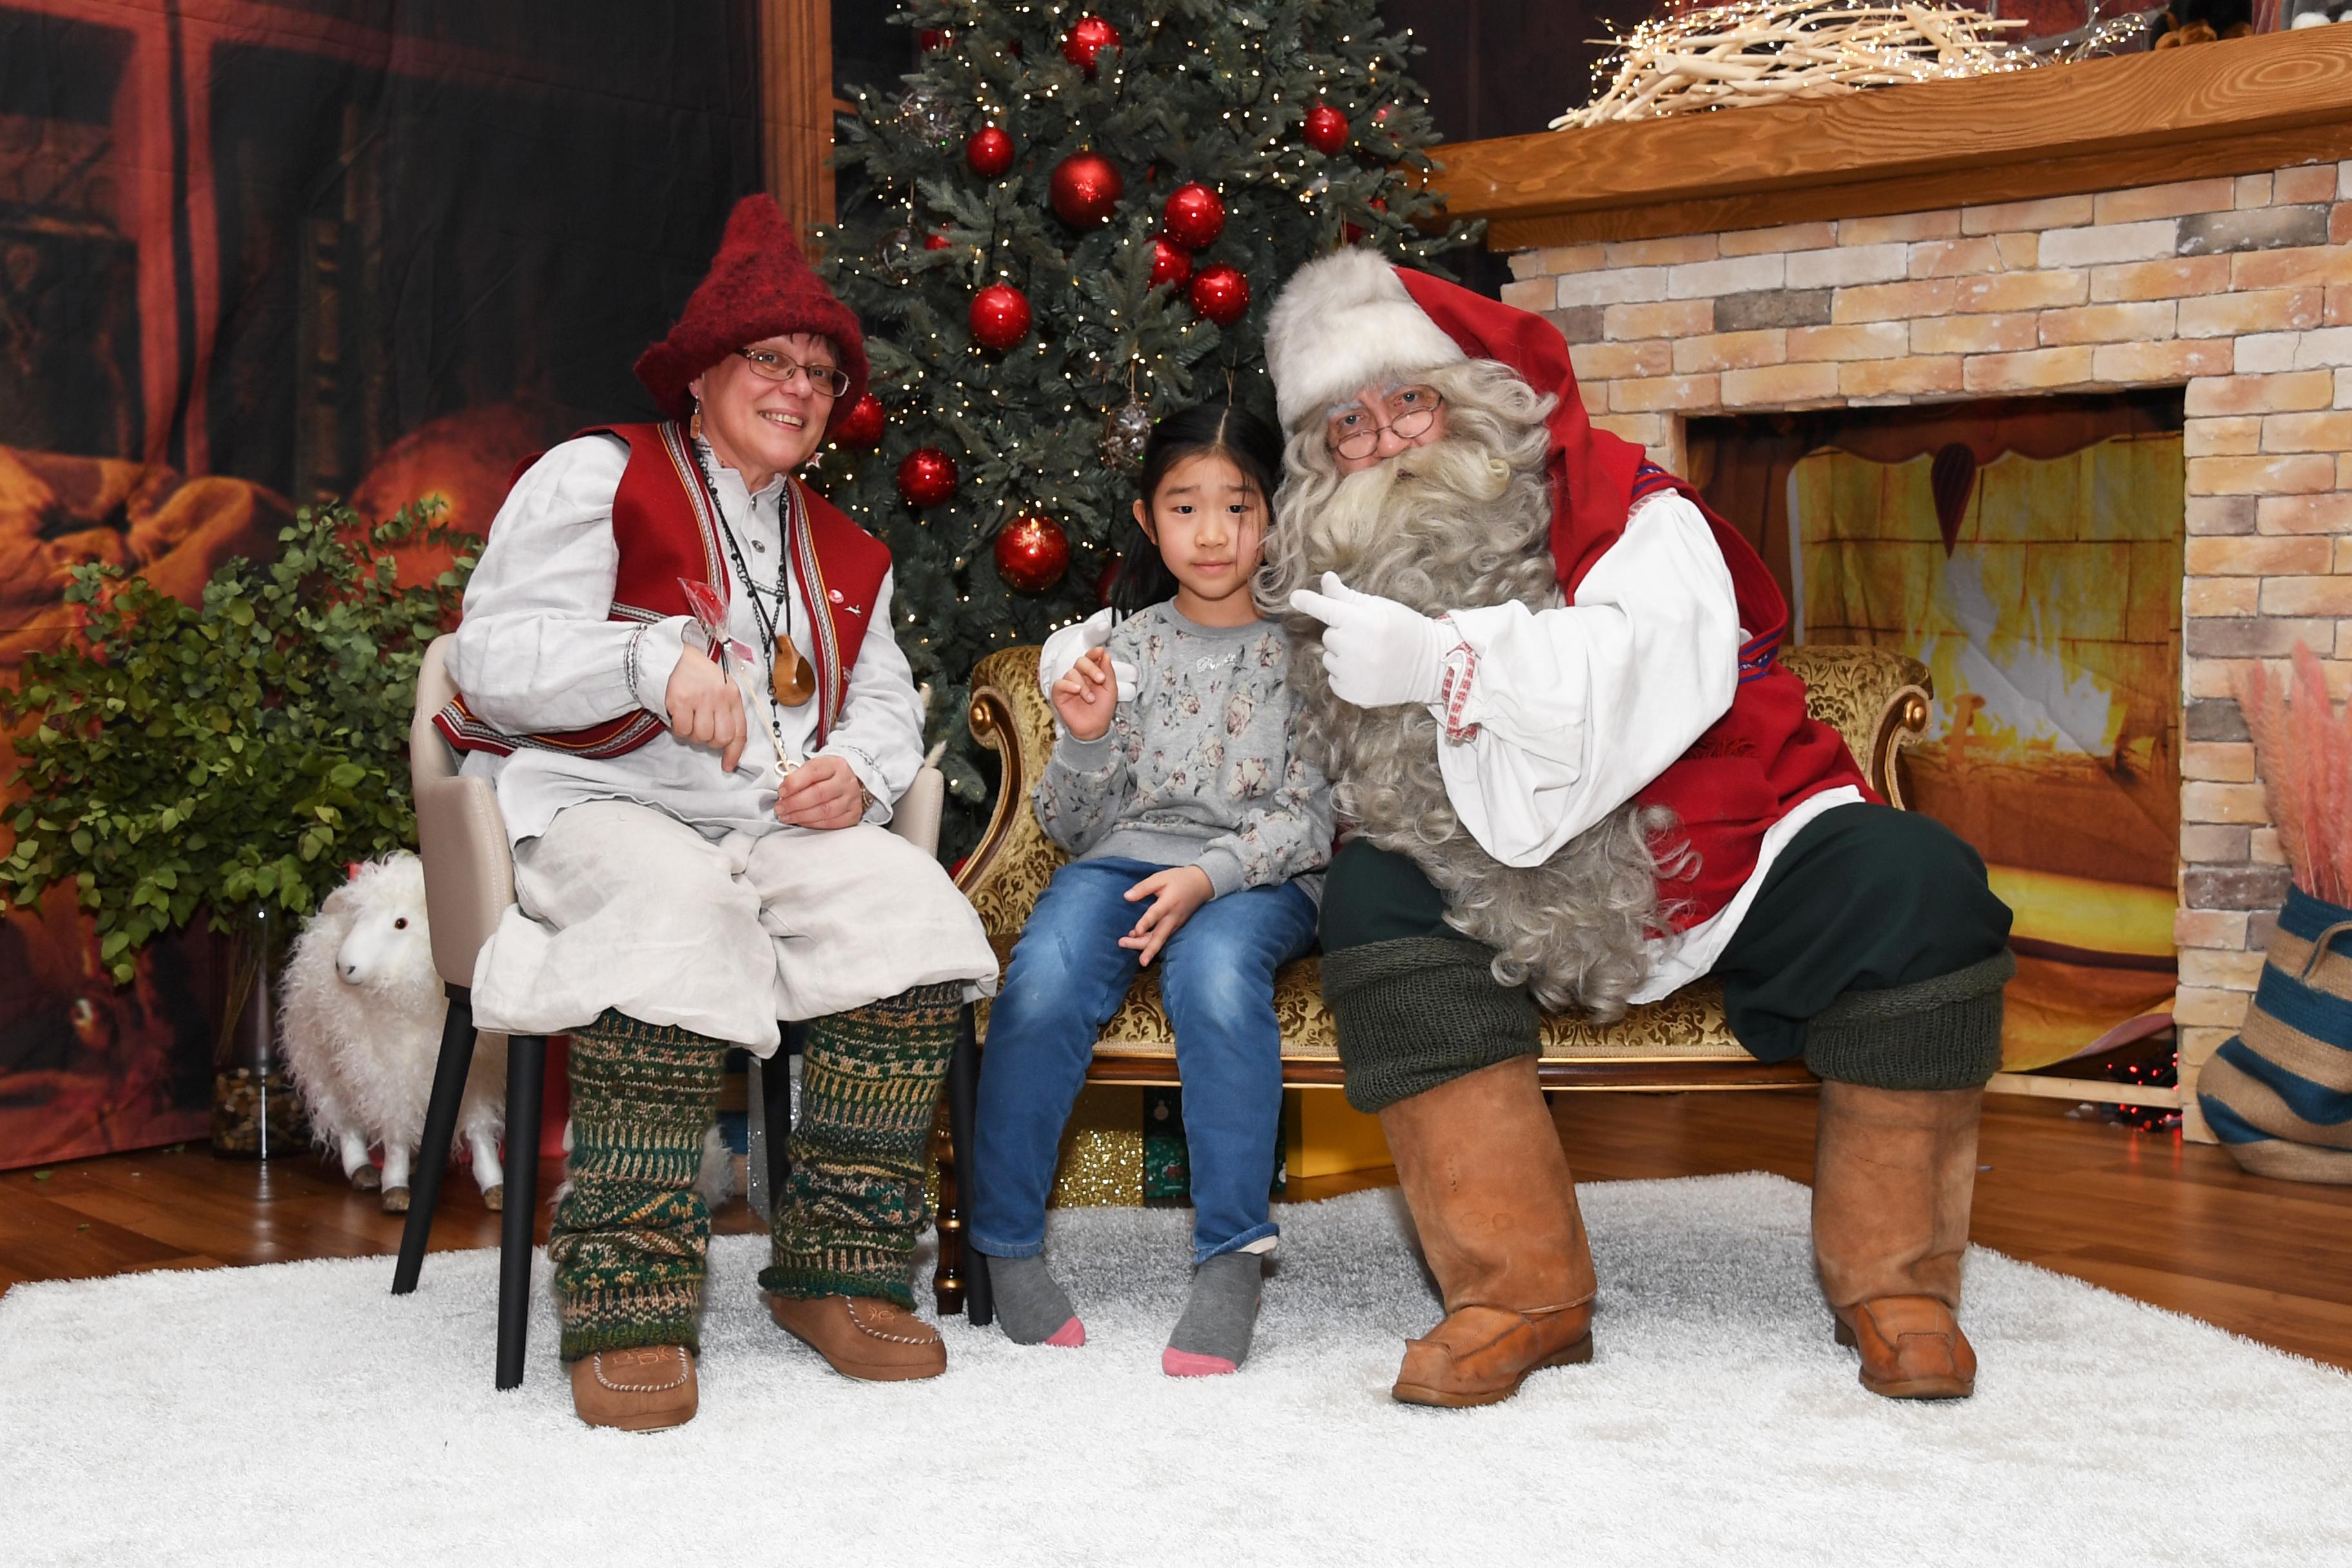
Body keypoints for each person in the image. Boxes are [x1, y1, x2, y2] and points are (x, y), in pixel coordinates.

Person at [1254, 248, 2015, 1409]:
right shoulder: (1321, 580)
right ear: (1319, 462)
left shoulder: (1634, 507)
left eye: (1411, 399)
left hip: (1709, 845)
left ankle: (1898, 1283)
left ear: (1476, 400)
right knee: (1377, 905)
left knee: (1919, 885)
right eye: (1349, 425)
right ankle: (1518, 1291)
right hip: (1480, 883)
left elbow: (1654, 661)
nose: (1391, 441)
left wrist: (1450, 660)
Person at [436, 195, 999, 1431]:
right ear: (703, 372)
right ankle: (627, 1296)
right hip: (601, 798)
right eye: (770, 361)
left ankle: (837, 1272)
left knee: (912, 908)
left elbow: (892, 707)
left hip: (771, 822)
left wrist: (852, 769)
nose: (798, 388)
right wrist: (648, 665)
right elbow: (491, 657)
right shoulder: (598, 475)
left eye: (818, 371)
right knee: (677, 911)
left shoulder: (850, 553)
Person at [971, 403, 1332, 1377]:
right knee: (1041, 978)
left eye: (1236, 506)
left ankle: (1230, 1259)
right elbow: (1071, 828)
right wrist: (1085, 737)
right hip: (1124, 863)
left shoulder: (1309, 651)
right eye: (1185, 507)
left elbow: (1311, 818)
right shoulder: (1122, 649)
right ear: (1148, 520)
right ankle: (1005, 1243)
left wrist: (1207, 877)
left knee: (1216, 977)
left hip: (1259, 876)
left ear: (1271, 518)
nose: (1211, 533)